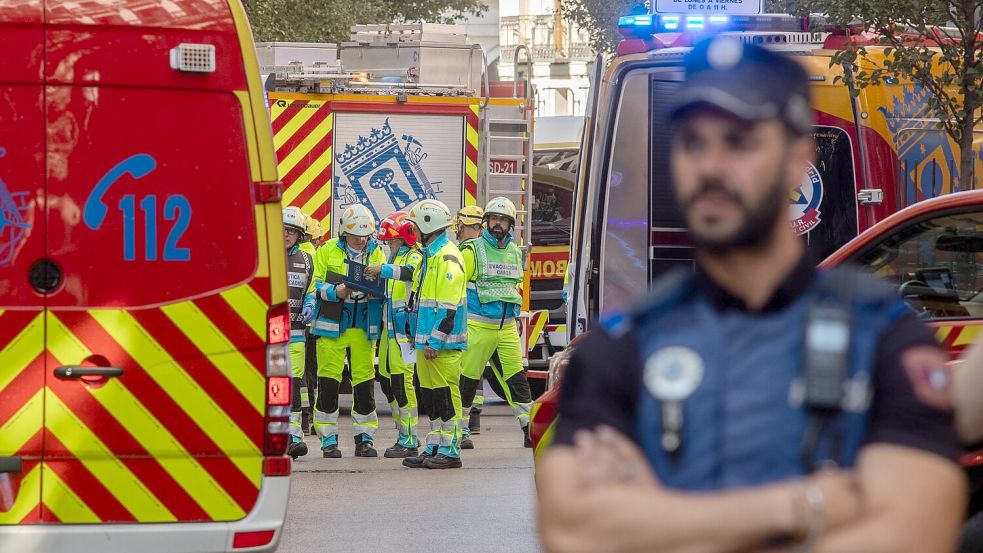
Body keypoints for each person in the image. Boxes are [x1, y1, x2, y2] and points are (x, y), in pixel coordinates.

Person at [537, 37, 966, 553]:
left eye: (739, 142)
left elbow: (915, 532)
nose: (711, 166)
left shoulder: (882, 337)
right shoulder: (621, 349)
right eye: (693, 143)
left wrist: (657, 520)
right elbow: (571, 531)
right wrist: (803, 506)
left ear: (798, 159)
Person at [311, 204, 386, 458]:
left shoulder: (376, 252)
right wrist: (336, 291)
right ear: (344, 233)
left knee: (364, 384)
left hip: (363, 326)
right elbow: (314, 285)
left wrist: (375, 290)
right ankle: (328, 439)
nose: (361, 241)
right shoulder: (327, 250)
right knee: (328, 383)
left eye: (365, 236)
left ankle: (365, 438)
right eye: (356, 236)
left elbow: (385, 285)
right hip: (332, 326)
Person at [458, 197, 534, 449]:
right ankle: (459, 432)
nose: (498, 224)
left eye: (503, 220)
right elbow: (456, 289)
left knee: (517, 380)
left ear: (510, 224)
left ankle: (530, 430)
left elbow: (514, 287)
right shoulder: (471, 250)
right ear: (486, 221)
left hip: (506, 328)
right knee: (467, 382)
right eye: (493, 219)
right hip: (477, 326)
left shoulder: (515, 252)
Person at [401, 199, 469, 470]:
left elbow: (448, 307)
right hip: (427, 342)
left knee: (445, 394)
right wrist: (416, 335)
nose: (413, 232)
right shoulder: (430, 255)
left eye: (415, 227)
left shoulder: (447, 257)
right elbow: (420, 300)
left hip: (442, 343)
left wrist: (435, 340)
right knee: (430, 395)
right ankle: (434, 446)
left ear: (428, 226)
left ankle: (451, 450)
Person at [365, 211, 425, 458]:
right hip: (390, 332)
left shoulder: (415, 256)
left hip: (405, 334)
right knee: (386, 379)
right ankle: (403, 431)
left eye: (392, 241)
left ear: (404, 239)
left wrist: (382, 269)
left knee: (403, 384)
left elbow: (408, 272)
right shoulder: (397, 256)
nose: (389, 246)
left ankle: (409, 438)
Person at [283, 207, 316, 459]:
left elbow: (311, 290)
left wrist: (310, 304)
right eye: (283, 230)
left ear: (300, 235)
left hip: (296, 333)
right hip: (267, 335)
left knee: (294, 385)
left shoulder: (307, 260)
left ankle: (294, 437)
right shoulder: (266, 256)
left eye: (291, 231)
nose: (286, 235)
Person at [453, 204, 488, 437]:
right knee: (476, 373)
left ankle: (465, 424)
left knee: (465, 372)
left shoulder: (467, 252)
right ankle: (473, 419)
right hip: (487, 321)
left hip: (467, 318)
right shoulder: (486, 250)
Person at [300, 213, 321, 435]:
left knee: (301, 374)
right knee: (313, 372)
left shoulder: (292, 256)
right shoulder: (316, 255)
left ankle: (304, 419)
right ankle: (313, 417)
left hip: (297, 325)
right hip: (314, 325)